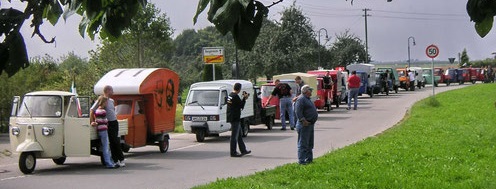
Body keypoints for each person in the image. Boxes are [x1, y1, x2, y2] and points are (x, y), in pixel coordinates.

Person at [90, 85, 126, 167]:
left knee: (115, 141)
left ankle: (119, 159)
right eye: (111, 90)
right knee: (112, 142)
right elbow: (92, 110)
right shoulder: (102, 99)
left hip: (114, 122)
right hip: (107, 123)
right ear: (107, 91)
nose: (113, 92)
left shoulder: (112, 101)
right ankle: (118, 159)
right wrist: (92, 121)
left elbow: (112, 111)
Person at [91, 96, 119, 169]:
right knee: (106, 146)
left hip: (99, 129)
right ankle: (109, 163)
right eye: (106, 102)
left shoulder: (97, 110)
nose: (107, 103)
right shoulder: (103, 111)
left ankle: (110, 162)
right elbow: (105, 121)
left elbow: (97, 119)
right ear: (103, 102)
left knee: (105, 146)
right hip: (103, 129)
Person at [294, 85, 318, 165]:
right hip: (304, 125)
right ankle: (302, 161)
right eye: (310, 90)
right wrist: (303, 120)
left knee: (309, 143)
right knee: (303, 143)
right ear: (305, 91)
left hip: (310, 124)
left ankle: (309, 159)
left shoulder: (307, 99)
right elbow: (298, 111)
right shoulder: (301, 99)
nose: (311, 92)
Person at [227, 83, 251, 157]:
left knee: (239, 135)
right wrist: (244, 98)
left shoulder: (230, 95)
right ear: (239, 89)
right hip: (235, 118)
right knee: (234, 136)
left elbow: (233, 105)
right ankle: (233, 152)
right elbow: (241, 106)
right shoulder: (235, 96)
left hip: (231, 116)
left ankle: (243, 150)